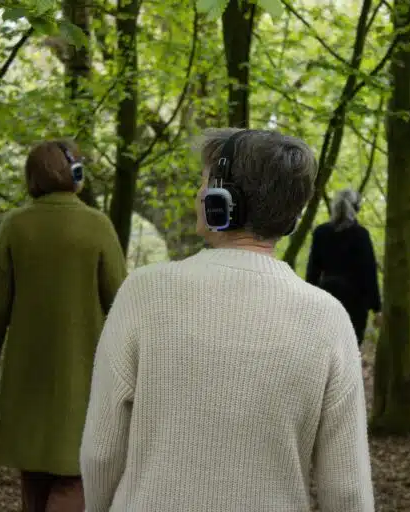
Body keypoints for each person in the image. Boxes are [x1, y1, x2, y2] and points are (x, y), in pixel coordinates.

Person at [79, 128, 375, 511]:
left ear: (222, 201)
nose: (197, 194)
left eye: (203, 182)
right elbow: (348, 491)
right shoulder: (329, 319)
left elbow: (101, 452)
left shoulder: (143, 293)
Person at [0, 139, 127, 512]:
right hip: (83, 373)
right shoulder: (97, 225)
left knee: (34, 476)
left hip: (27, 376)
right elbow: (121, 302)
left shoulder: (16, 225)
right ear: (75, 174)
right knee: (75, 475)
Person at [305, 188, 382, 344]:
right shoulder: (361, 234)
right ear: (356, 208)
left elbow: (312, 271)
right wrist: (377, 308)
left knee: (326, 346)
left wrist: (309, 301)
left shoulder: (321, 232)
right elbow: (369, 273)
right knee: (351, 347)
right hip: (355, 302)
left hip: (327, 297)